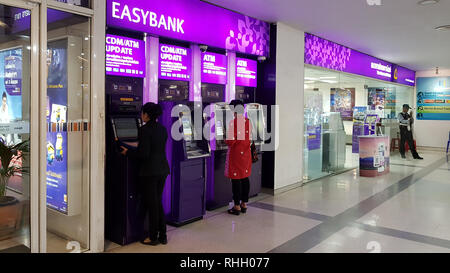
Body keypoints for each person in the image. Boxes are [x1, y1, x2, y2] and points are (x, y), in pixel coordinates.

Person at [120, 102, 170, 246]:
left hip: (150, 172)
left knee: (152, 204)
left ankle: (153, 237)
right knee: (157, 202)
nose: (141, 115)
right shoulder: (162, 129)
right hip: (162, 170)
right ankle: (163, 235)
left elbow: (144, 154)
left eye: (142, 113)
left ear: (147, 115)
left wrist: (127, 152)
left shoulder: (144, 130)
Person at [225, 99, 253, 216]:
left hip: (236, 154)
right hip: (246, 153)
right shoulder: (248, 121)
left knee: (236, 180)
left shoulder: (234, 122)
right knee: (245, 177)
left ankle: (236, 206)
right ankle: (244, 204)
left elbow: (230, 142)